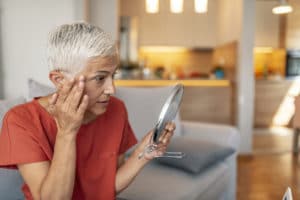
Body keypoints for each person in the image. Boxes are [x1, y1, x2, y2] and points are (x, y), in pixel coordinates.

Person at [0, 22, 175, 200]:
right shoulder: (21, 120)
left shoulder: (116, 109)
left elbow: (107, 188)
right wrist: (67, 132)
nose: (111, 89)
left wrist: (143, 153)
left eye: (112, 75)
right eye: (100, 78)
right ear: (60, 80)